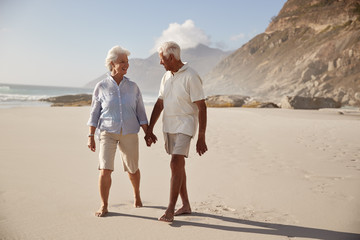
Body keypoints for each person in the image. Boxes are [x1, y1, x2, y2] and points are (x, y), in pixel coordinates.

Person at [145, 41, 208, 222]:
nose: (160, 63)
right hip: (169, 125)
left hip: (185, 125)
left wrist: (201, 137)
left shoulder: (191, 76)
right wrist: (150, 129)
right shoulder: (166, 77)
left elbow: (202, 107)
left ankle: (170, 209)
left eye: (161, 59)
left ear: (171, 57)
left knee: (174, 162)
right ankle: (186, 204)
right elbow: (160, 103)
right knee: (178, 165)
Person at [87, 45, 150, 217]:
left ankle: (137, 195)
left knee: (133, 169)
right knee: (104, 169)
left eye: (127, 62)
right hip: (107, 131)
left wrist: (148, 132)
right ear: (112, 63)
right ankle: (104, 205)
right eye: (122, 61)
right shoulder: (101, 86)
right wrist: (91, 135)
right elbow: (94, 112)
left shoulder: (133, 87)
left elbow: (141, 112)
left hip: (129, 132)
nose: (126, 65)